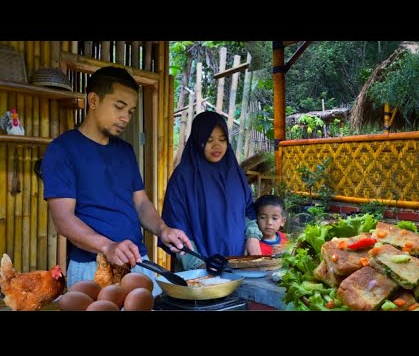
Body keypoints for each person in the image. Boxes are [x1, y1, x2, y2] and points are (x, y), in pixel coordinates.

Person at [41, 66, 192, 296]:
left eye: (130, 111)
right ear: (93, 100)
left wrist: (163, 230)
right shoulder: (62, 150)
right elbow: (63, 219)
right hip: (93, 268)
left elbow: (141, 203)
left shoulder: (125, 151)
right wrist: (107, 246)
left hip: (138, 262)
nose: (125, 118)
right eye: (119, 107)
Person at [161, 110, 263, 271]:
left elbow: (247, 211)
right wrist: (200, 265)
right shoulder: (183, 177)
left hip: (237, 267)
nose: (217, 145)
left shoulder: (235, 174)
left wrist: (252, 236)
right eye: (209, 140)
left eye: (222, 140)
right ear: (197, 141)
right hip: (197, 272)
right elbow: (176, 227)